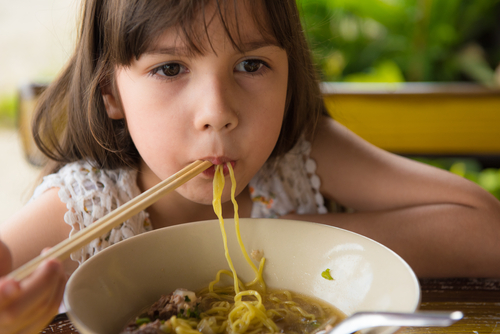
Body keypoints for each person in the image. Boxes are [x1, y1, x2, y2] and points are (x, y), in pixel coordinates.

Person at [2, 0, 500, 332]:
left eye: (250, 65)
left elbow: (487, 231)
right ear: (111, 91)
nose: (218, 111)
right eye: (170, 69)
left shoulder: (296, 155)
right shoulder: (84, 211)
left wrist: (290, 241)